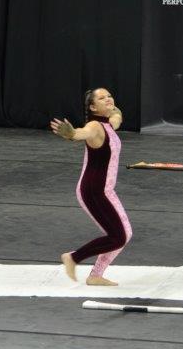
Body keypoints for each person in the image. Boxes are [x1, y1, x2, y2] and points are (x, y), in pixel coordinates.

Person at [50, 88, 132, 286]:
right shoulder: (95, 126)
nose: (108, 99)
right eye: (102, 98)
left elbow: (117, 116)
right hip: (94, 191)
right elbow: (82, 133)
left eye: (110, 96)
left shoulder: (109, 123)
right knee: (118, 237)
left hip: (106, 191)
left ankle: (96, 275)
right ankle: (73, 257)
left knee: (125, 234)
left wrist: (114, 110)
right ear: (93, 107)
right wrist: (71, 134)